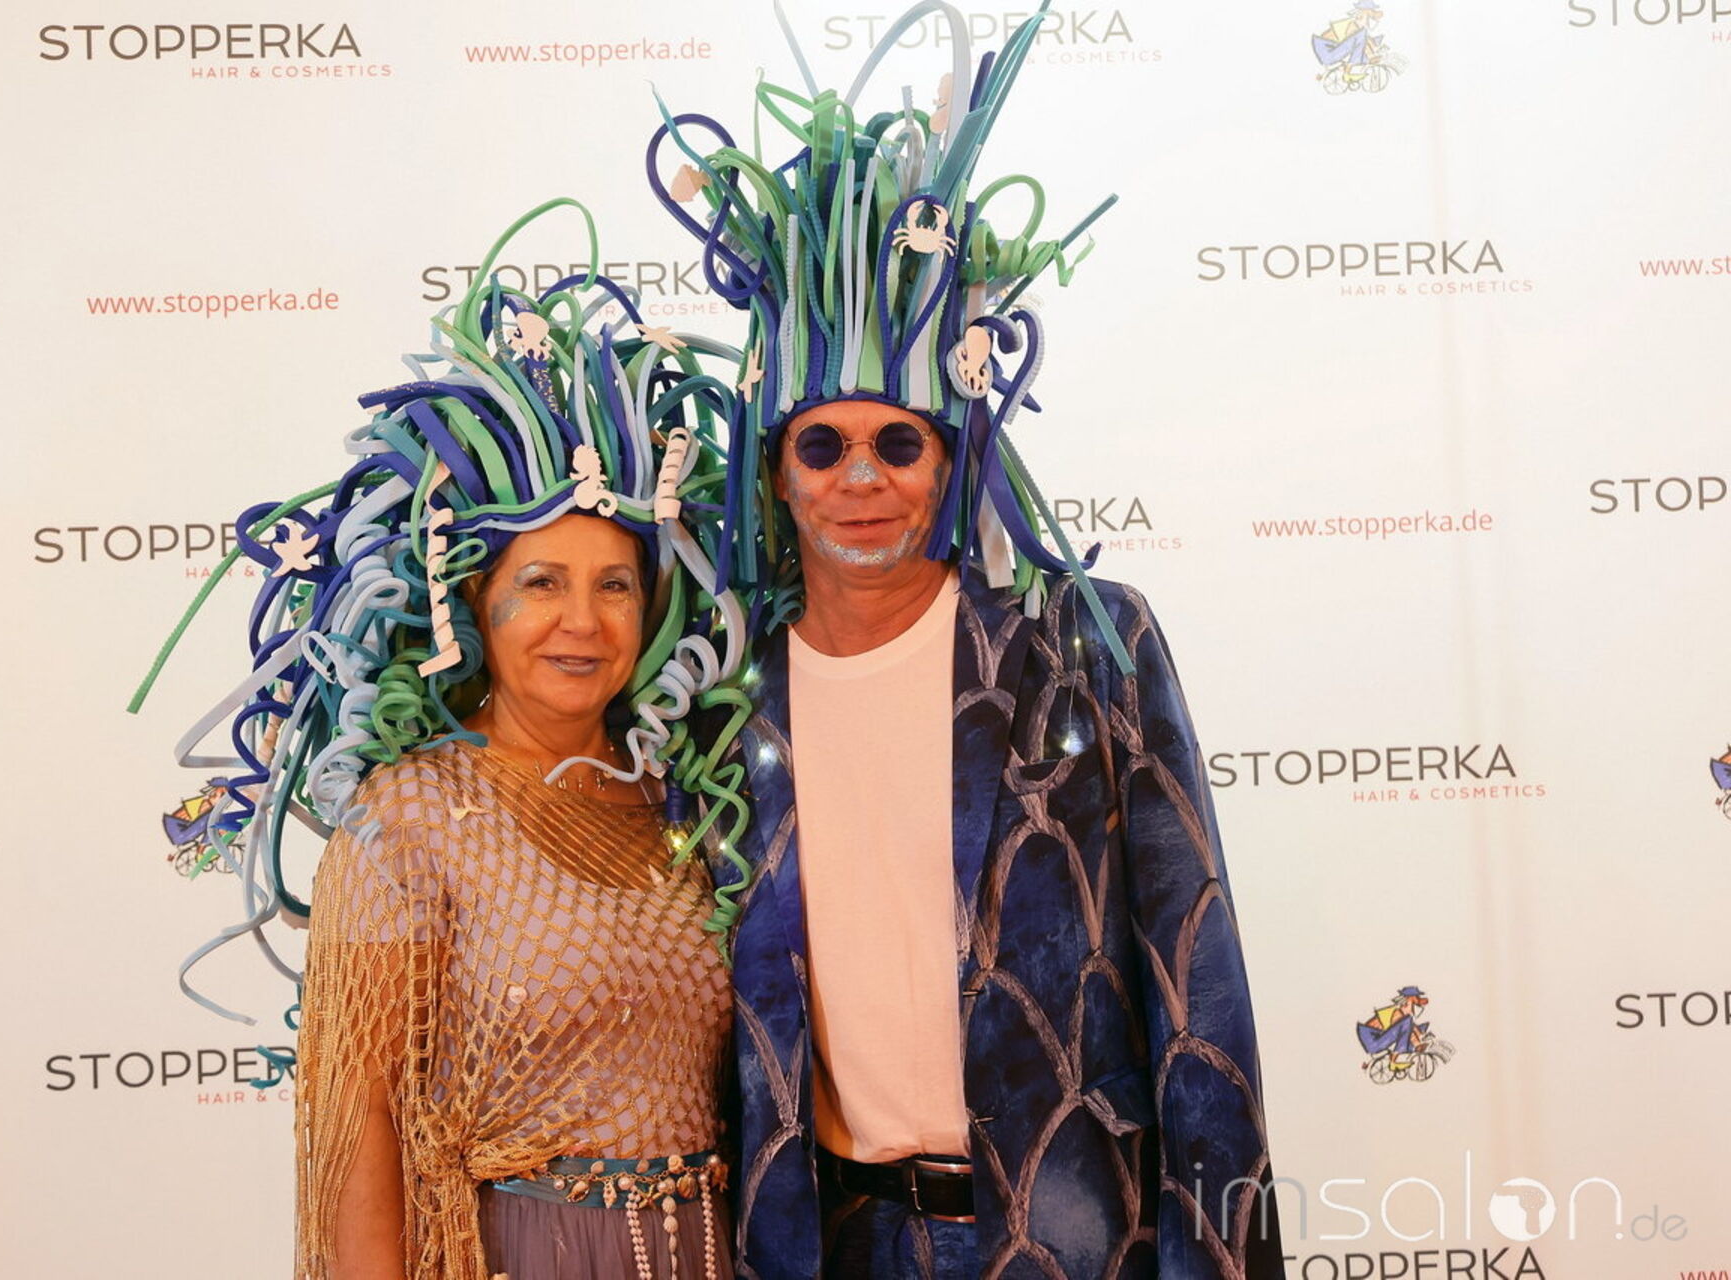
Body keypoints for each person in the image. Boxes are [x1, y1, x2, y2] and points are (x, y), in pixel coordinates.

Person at [650, 9, 1284, 1277]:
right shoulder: (724, 699)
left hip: (1076, 1238)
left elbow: (1196, 983)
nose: (861, 479)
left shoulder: (1085, 642)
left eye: (900, 442)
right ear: (774, 472)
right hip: (828, 1240)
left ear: (953, 460)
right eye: (822, 445)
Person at [134, 201, 757, 1279]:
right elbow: (359, 1121)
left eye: (614, 586)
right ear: (474, 602)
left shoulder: (680, 801)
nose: (581, 621)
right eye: (541, 583)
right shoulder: (407, 817)